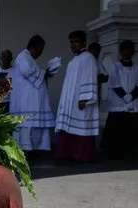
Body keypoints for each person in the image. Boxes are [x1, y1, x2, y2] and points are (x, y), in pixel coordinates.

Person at [54, 30, 99, 163]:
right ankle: (67, 153)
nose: (73, 44)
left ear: (84, 42)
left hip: (81, 100)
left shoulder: (88, 58)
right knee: (67, 128)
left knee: (81, 128)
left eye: (76, 41)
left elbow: (89, 77)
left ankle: (82, 155)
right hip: (70, 101)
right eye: (71, 42)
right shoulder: (74, 60)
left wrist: (84, 98)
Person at [10, 35, 55, 155]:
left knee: (34, 127)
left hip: (32, 102)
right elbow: (27, 72)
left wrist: (44, 73)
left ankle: (33, 149)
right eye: (41, 49)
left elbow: (35, 75)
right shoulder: (23, 57)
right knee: (27, 127)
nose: (41, 53)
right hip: (26, 103)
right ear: (34, 47)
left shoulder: (29, 58)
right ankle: (26, 150)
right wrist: (44, 73)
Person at [102, 40, 138, 160]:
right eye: (126, 49)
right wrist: (125, 96)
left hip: (132, 101)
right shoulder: (116, 66)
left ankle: (130, 152)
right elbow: (114, 82)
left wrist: (131, 96)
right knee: (117, 129)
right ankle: (114, 153)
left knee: (131, 129)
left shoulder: (137, 68)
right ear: (121, 51)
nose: (128, 52)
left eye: (131, 49)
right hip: (119, 102)